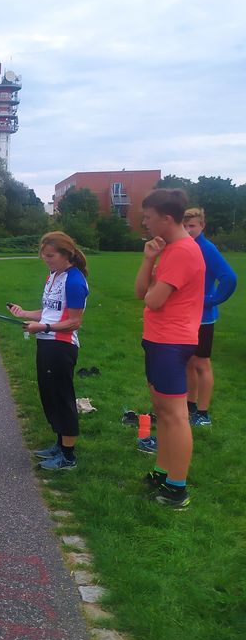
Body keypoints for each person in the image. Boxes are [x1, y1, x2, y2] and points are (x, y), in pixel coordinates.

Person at [135, 188, 206, 509]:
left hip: (171, 341)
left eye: (148, 217)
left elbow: (154, 300)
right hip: (159, 338)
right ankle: (163, 471)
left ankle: (177, 488)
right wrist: (149, 259)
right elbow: (141, 292)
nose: (144, 222)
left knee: (175, 415)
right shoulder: (169, 250)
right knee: (163, 411)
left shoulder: (183, 252)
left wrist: (153, 286)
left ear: (166, 219)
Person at [7, 232, 89, 471]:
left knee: (62, 398)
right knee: (50, 396)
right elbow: (50, 311)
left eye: (51, 256)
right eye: (44, 255)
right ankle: (59, 445)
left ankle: (68, 456)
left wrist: (44, 327)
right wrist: (24, 313)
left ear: (66, 254)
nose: (46, 260)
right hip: (46, 342)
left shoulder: (74, 281)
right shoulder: (54, 275)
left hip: (61, 345)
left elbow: (74, 322)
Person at [182, 207, 238, 426]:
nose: (188, 230)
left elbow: (229, 278)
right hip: (186, 315)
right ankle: (190, 405)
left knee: (201, 363)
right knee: (188, 361)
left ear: (202, 226)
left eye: (192, 226)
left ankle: (203, 414)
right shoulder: (185, 247)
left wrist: (210, 300)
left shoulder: (207, 248)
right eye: (184, 226)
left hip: (203, 317)